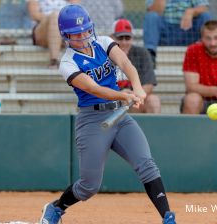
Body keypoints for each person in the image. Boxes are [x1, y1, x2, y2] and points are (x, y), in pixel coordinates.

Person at [38, 4, 176, 224]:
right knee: (89, 186)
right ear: (66, 36)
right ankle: (56, 208)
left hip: (119, 117)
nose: (83, 36)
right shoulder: (67, 62)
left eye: (85, 30)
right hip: (92, 121)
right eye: (76, 33)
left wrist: (138, 87)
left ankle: (168, 217)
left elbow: (125, 63)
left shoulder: (102, 41)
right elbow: (94, 88)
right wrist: (124, 96)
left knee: (147, 164)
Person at [111, 18, 161, 113]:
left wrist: (133, 95)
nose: (124, 42)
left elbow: (149, 85)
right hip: (112, 98)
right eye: (120, 38)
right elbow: (99, 87)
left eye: (127, 38)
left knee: (153, 100)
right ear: (112, 38)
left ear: (132, 38)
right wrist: (120, 95)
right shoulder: (104, 55)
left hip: (136, 97)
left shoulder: (142, 53)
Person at [143, 0, 211, 66]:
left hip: (189, 32)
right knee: (151, 16)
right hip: (165, 34)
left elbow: (204, 7)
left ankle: (207, 54)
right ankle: (150, 57)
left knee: (205, 16)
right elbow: (154, 10)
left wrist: (191, 11)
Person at [27, 0, 80, 68]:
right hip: (42, 30)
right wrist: (54, 19)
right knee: (55, 16)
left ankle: (54, 62)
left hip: (65, 29)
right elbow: (35, 15)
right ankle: (54, 60)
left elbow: (76, 12)